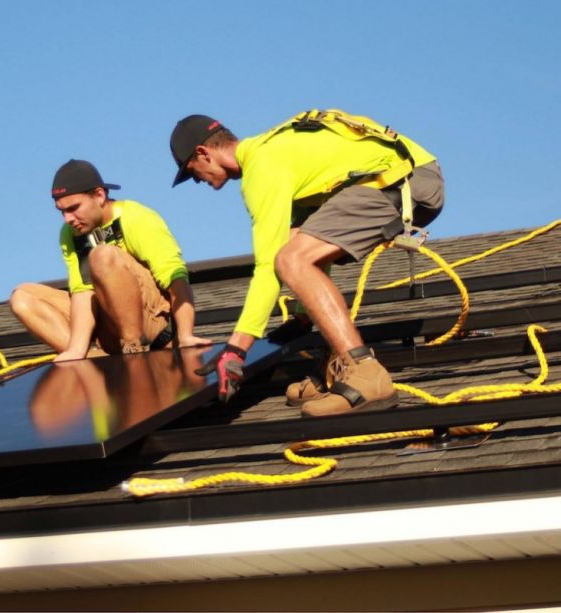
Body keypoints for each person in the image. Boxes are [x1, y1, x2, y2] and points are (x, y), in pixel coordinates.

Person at [169, 110, 444, 416]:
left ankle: (366, 374)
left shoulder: (262, 166)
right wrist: (302, 318)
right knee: (295, 245)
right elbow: (308, 232)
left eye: (192, 172)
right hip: (405, 175)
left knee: (288, 259)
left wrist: (236, 349)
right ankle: (335, 366)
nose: (196, 181)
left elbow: (270, 266)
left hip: (400, 180)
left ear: (203, 153)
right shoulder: (275, 150)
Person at [10, 159, 210, 361]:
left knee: (102, 255)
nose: (68, 219)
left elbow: (175, 276)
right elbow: (82, 292)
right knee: (22, 298)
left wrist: (185, 336)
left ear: (99, 195)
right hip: (109, 332)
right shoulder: (70, 234)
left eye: (74, 208)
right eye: (62, 211)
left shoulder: (135, 216)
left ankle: (134, 347)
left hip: (153, 326)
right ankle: (92, 359)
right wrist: (76, 350)